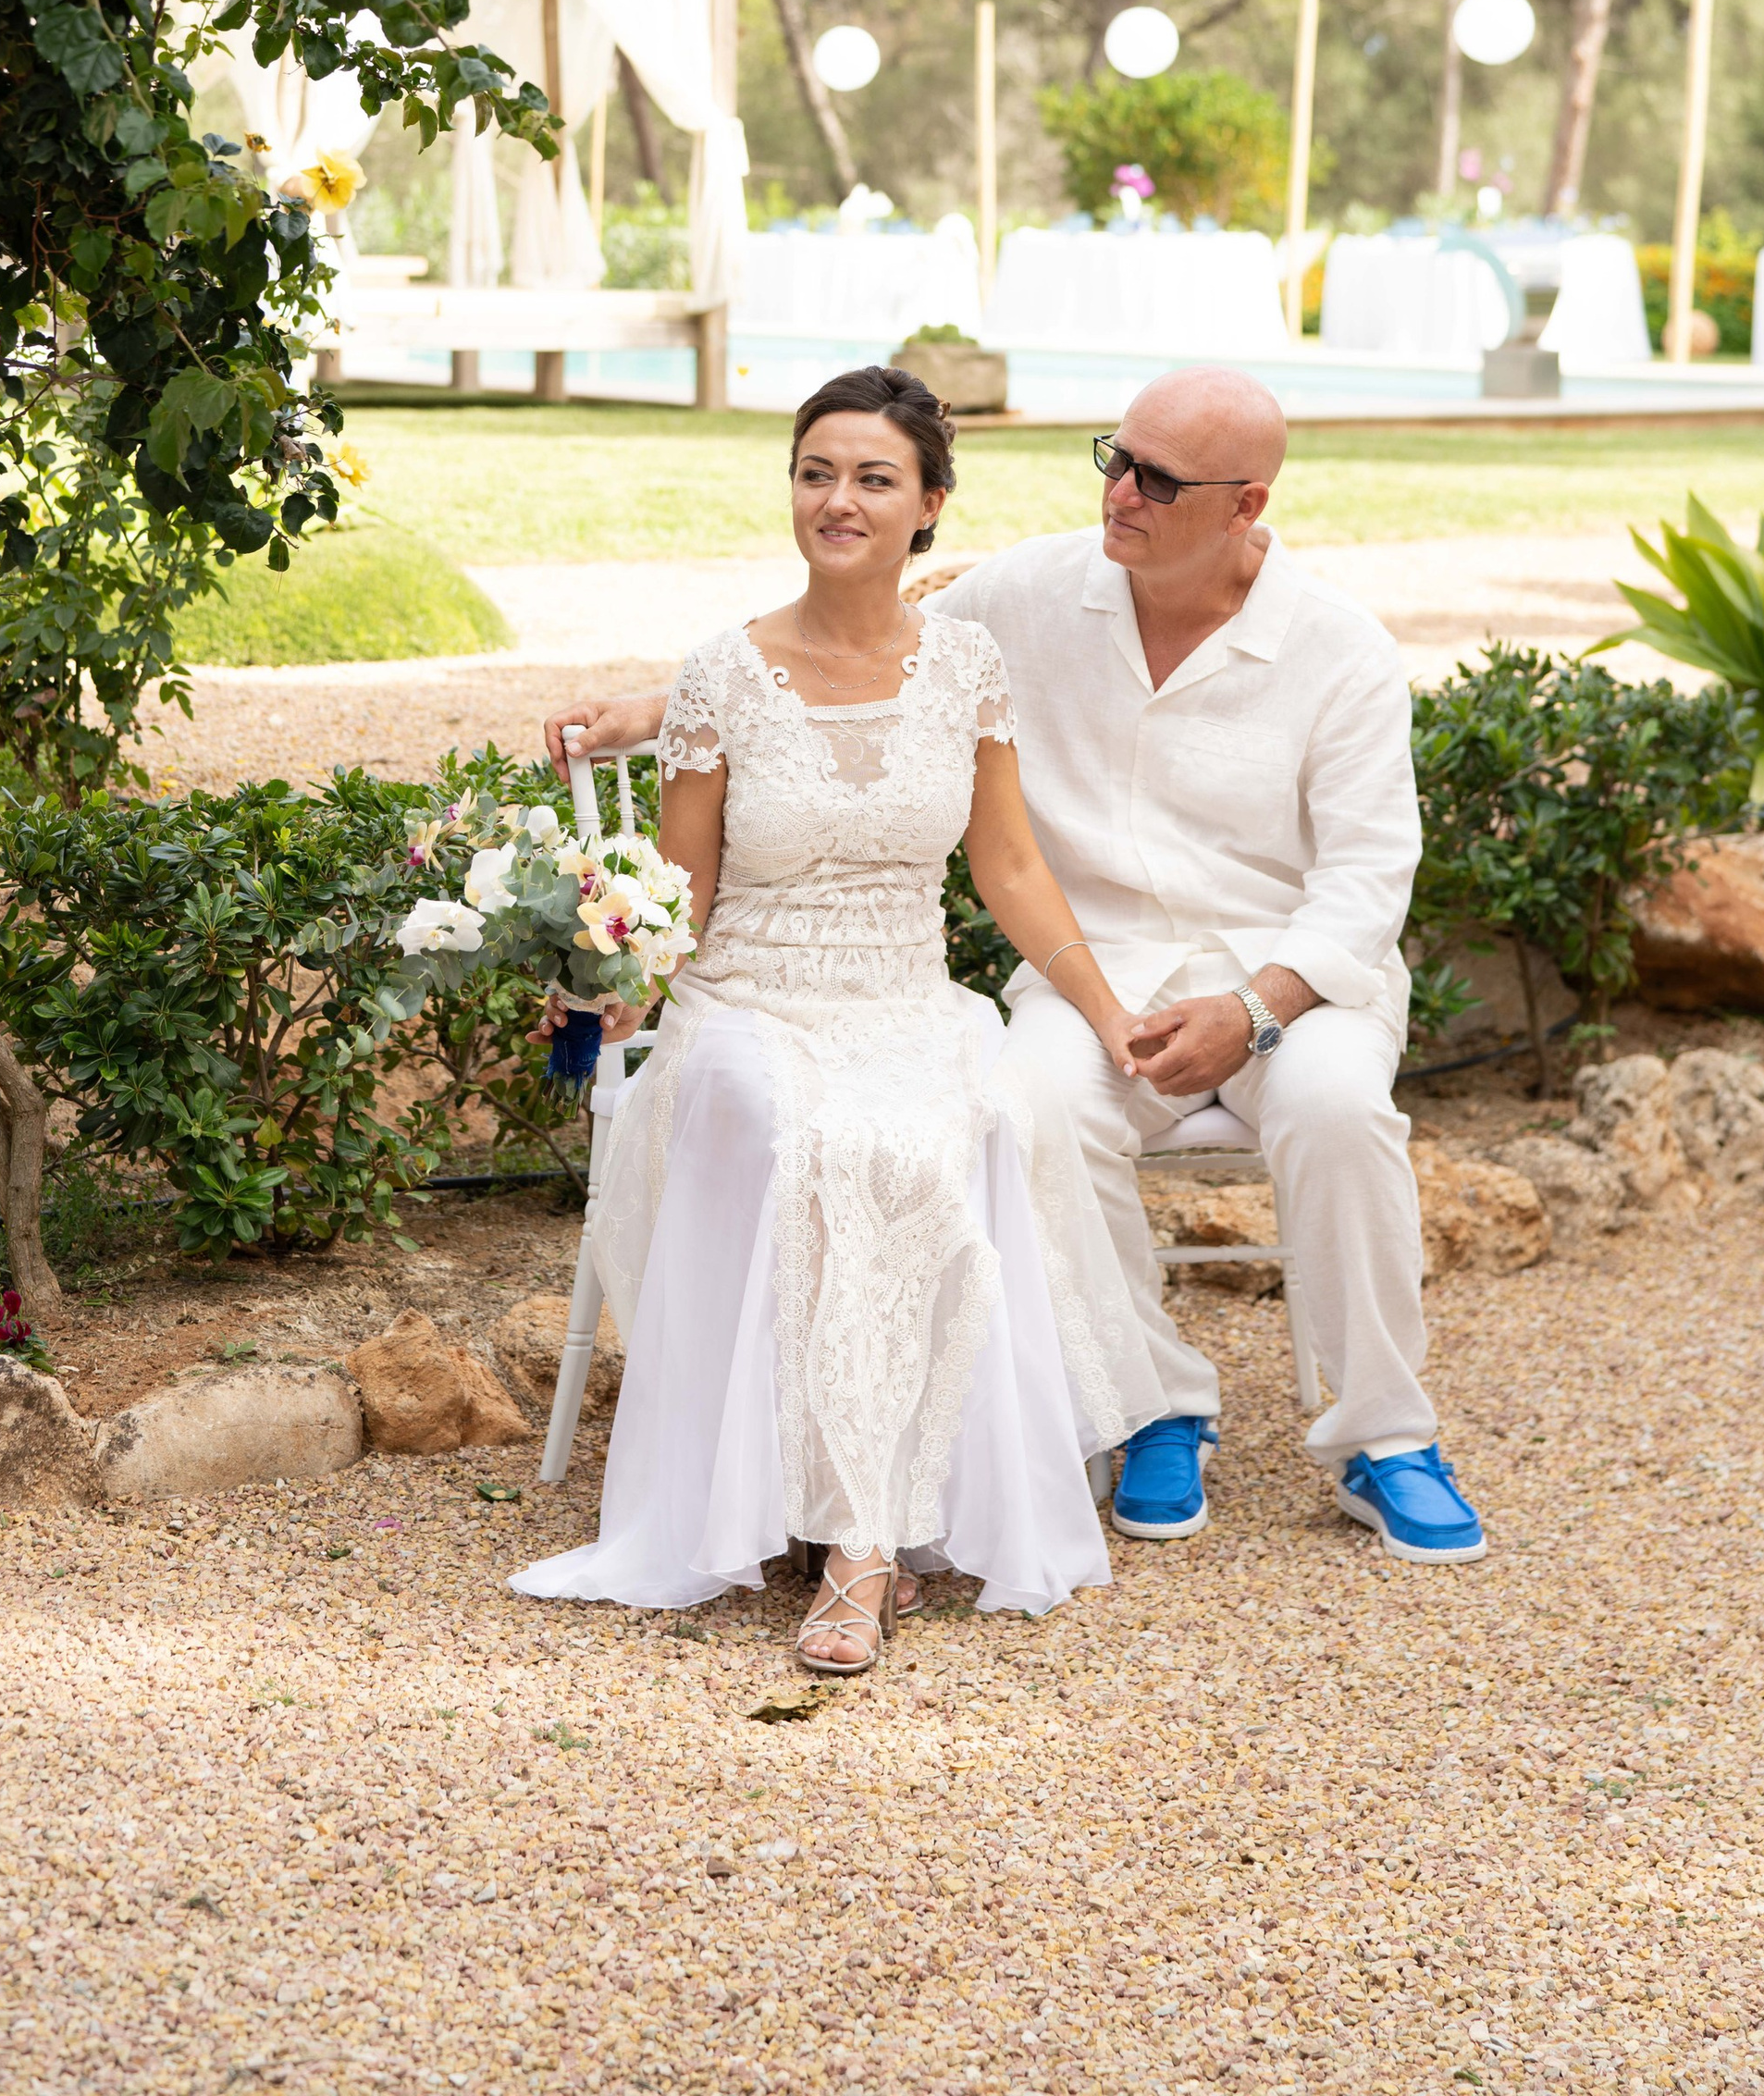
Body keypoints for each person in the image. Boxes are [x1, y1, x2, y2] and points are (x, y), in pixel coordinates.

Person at [546, 364, 1486, 1568]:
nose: (1120, 493)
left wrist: (1253, 1011)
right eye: (1115, 456)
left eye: (1156, 478)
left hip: (1289, 986)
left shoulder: (1340, 650)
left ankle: (1385, 1437)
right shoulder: (1040, 590)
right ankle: (1158, 1405)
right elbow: (849, 647)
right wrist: (650, 706)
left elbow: (1365, 885)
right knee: (1026, 1100)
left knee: (1340, 1110)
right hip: (1097, 972)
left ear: (1247, 506)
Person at [512, 364, 1166, 1670]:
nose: (839, 499)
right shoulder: (724, 676)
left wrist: (1109, 1015)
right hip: (751, 1002)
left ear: (929, 507)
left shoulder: (968, 666)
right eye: (817, 472)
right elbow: (681, 895)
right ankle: (855, 1542)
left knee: (962, 1123)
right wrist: (603, 985)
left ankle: (859, 1527)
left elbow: (1012, 869)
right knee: (801, 1134)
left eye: (874, 478)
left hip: (906, 996)